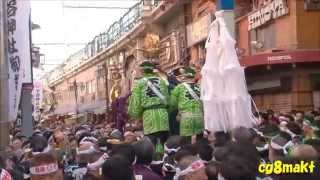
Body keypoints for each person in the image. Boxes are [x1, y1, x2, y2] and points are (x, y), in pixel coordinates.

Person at [128, 60, 170, 146]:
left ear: (142, 70)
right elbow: (168, 100)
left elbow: (135, 103)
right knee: (164, 142)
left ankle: (155, 158)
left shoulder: (140, 83)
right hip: (163, 115)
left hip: (149, 116)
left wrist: (136, 116)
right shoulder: (161, 81)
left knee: (152, 143)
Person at [170, 67, 203, 140]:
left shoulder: (179, 88)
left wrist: (176, 113)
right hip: (199, 117)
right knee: (200, 141)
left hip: (186, 118)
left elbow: (173, 104)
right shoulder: (199, 87)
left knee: (185, 142)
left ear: (184, 76)